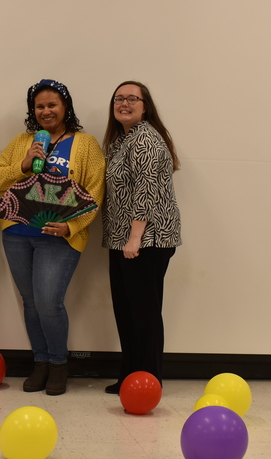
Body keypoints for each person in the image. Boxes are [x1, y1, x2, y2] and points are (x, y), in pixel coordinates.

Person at [0, 79, 105, 396]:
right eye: (39, 106)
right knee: (30, 302)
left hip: (59, 236)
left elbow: (95, 192)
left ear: (65, 107)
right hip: (17, 233)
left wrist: (73, 227)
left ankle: (58, 363)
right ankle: (40, 362)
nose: (46, 111)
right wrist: (23, 165)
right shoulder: (22, 142)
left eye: (52, 104)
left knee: (48, 302)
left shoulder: (86, 144)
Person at [101, 81, 182, 394]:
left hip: (147, 241)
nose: (124, 103)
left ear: (145, 106)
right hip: (124, 239)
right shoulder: (123, 140)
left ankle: (148, 383)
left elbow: (145, 191)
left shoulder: (146, 139)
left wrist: (135, 238)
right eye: (119, 99)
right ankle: (130, 377)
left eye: (132, 99)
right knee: (127, 310)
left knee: (144, 313)